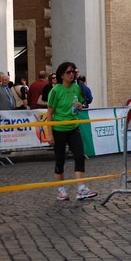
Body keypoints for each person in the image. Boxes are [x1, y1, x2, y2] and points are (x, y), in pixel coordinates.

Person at [45, 62, 97, 201]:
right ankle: (61, 189)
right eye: (68, 72)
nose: (71, 74)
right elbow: (49, 113)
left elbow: (80, 103)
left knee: (80, 155)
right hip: (58, 129)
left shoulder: (76, 88)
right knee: (60, 160)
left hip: (74, 127)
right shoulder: (55, 91)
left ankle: (81, 189)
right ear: (61, 75)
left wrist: (80, 105)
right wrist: (49, 133)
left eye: (73, 71)